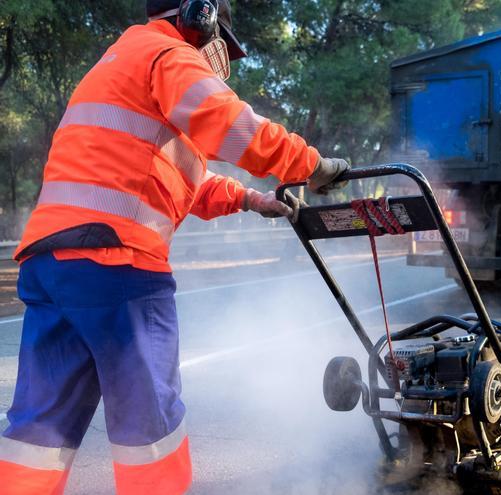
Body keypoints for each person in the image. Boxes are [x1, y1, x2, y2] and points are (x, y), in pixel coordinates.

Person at [0, 1, 350, 493]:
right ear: (197, 15)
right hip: (116, 269)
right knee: (150, 432)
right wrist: (310, 165)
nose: (221, 57)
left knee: (38, 431)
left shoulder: (121, 64)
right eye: (220, 42)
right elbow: (234, 126)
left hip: (51, 267)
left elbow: (188, 180)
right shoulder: (167, 54)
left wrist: (252, 199)